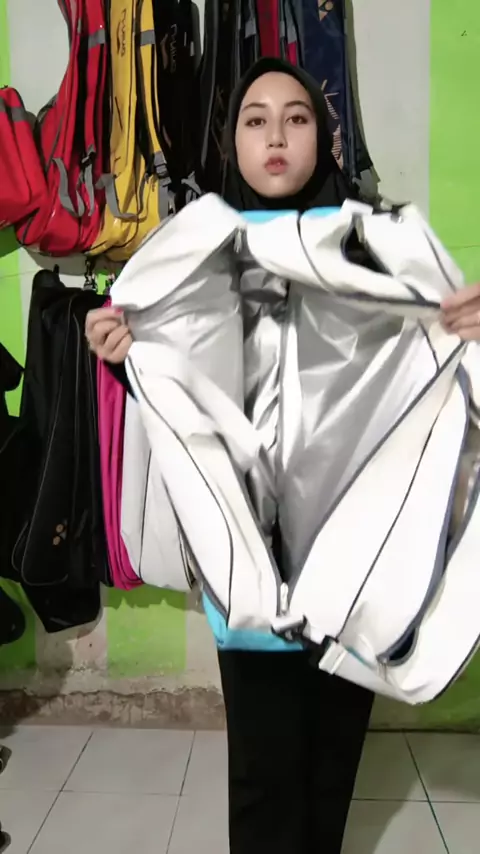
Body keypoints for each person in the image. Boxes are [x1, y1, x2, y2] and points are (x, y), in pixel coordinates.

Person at [85, 58, 480, 854]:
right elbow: (183, 394)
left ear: (324, 137)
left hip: (356, 561)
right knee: (264, 773)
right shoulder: (194, 252)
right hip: (250, 570)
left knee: (332, 769)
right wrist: (124, 355)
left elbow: (428, 375)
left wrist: (468, 332)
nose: (275, 136)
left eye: (296, 118)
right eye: (255, 119)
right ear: (232, 141)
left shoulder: (375, 247)